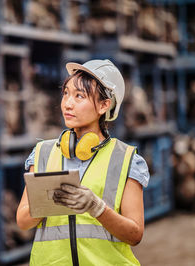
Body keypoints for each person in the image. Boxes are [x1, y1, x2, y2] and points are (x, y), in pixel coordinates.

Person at [16, 59, 150, 265]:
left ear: (104, 105)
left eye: (79, 96)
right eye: (66, 93)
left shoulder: (126, 159)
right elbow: (23, 221)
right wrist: (48, 202)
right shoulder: (43, 153)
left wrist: (97, 208)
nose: (68, 103)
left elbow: (135, 235)